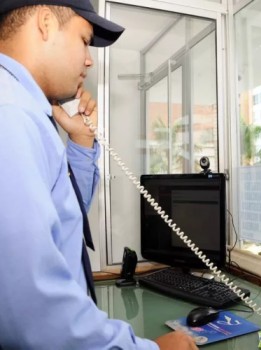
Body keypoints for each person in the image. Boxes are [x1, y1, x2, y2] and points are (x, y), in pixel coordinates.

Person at [0, 1, 198, 349]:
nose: (89, 59)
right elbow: (32, 310)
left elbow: (64, 223)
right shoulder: (10, 114)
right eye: (84, 39)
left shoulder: (22, 108)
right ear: (46, 23)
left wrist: (81, 140)